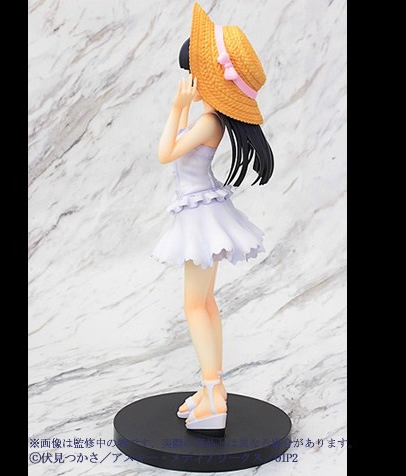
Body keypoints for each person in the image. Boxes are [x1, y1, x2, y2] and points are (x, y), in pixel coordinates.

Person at [150, 2, 274, 437]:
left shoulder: (210, 123)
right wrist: (185, 109)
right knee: (205, 303)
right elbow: (180, 149)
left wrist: (175, 108)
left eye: (194, 74)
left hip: (200, 216)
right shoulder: (208, 120)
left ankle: (213, 396)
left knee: (194, 305)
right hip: (202, 210)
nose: (189, 81)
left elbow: (166, 152)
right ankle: (212, 389)